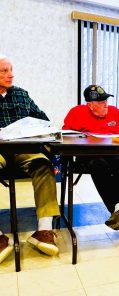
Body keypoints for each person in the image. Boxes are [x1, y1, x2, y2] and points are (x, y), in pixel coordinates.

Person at [0, 54, 60, 263]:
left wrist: (35, 128)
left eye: (11, 69)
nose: (11, 75)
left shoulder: (22, 94)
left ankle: (44, 230)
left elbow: (43, 119)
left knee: (43, 164)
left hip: (23, 148)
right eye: (4, 71)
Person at [62, 84, 119, 238]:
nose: (105, 104)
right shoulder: (76, 112)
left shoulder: (114, 112)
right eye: (100, 102)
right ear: (90, 105)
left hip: (114, 154)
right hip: (88, 156)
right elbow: (65, 135)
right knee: (99, 164)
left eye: (106, 100)